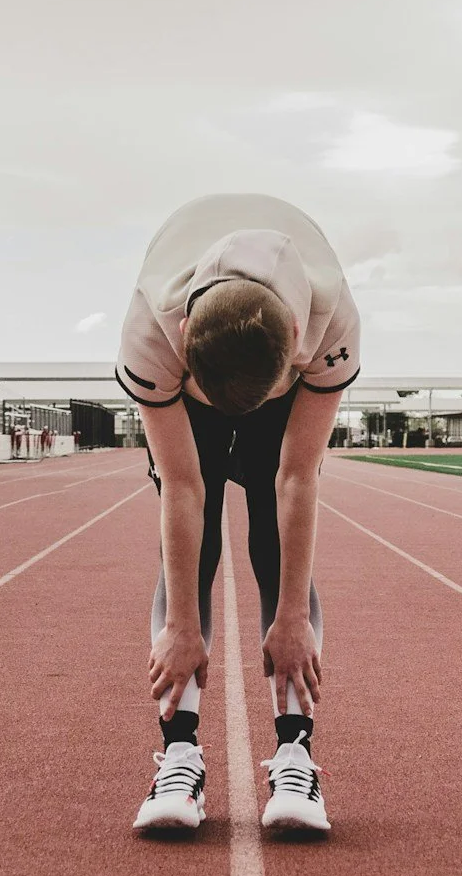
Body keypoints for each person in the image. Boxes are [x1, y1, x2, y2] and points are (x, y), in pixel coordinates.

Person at [117, 193, 359, 834]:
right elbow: (183, 485)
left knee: (274, 549)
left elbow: (296, 478)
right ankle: (179, 757)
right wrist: (182, 626)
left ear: (297, 346)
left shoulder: (333, 326)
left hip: (276, 385)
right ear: (184, 339)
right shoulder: (150, 334)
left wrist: (291, 617)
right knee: (189, 559)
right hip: (191, 383)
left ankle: (295, 754)